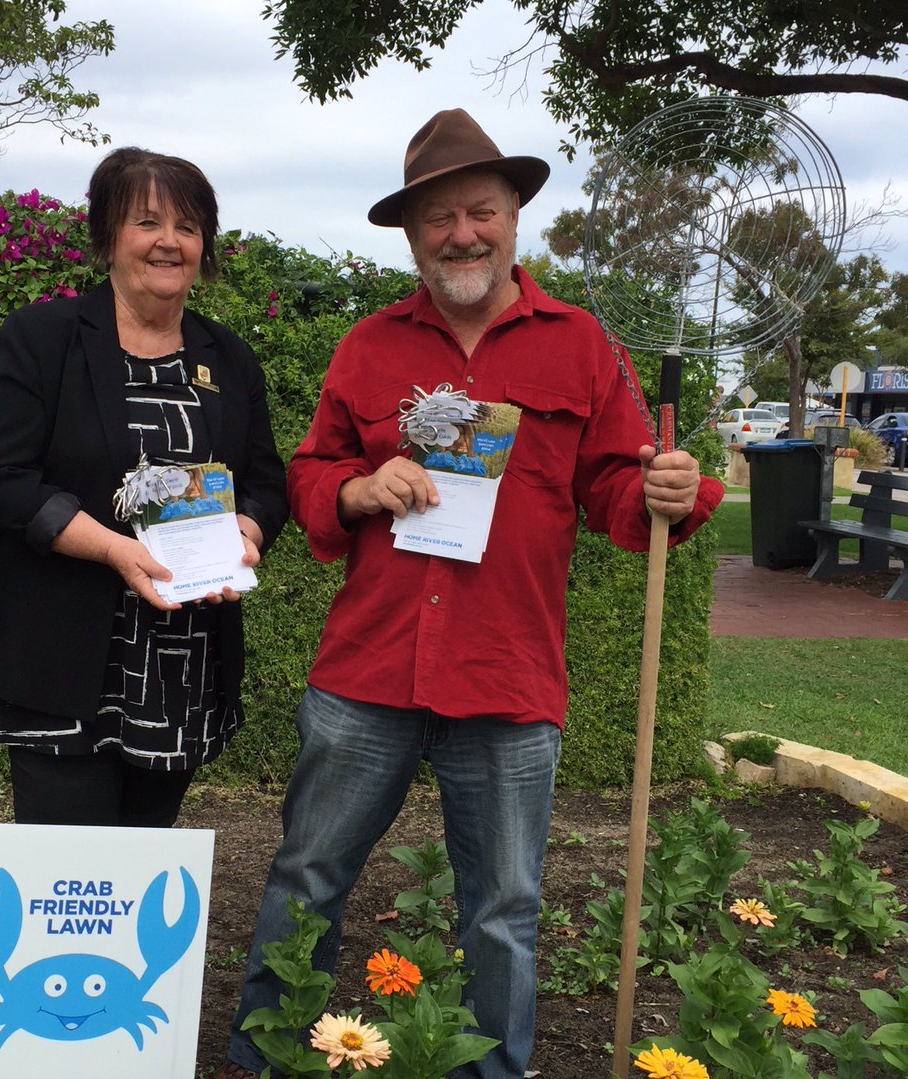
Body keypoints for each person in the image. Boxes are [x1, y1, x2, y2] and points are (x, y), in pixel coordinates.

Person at [215, 109, 724, 1079]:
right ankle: (269, 1058)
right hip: (366, 671)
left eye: (480, 210)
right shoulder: (368, 349)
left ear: (514, 215)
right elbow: (312, 472)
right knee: (306, 879)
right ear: (411, 234)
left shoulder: (578, 345)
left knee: (502, 907)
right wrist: (360, 486)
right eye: (439, 216)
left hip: (507, 673)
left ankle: (491, 1070)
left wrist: (667, 490)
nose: (462, 233)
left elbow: (620, 488)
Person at [0, 147, 289, 829]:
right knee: (67, 871)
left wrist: (246, 531)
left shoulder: (228, 358)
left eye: (188, 227)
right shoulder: (43, 337)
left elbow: (266, 482)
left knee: (140, 861)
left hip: (181, 662)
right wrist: (113, 548)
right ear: (108, 236)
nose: (170, 241)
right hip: (59, 653)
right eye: (148, 222)